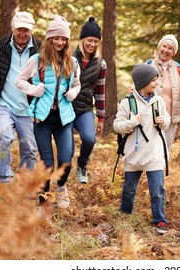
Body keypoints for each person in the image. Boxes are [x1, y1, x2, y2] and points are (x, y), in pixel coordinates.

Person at [16, 15, 80, 211]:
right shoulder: (37, 60)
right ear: (49, 39)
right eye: (56, 38)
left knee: (66, 160)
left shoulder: (73, 62)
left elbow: (78, 84)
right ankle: (43, 202)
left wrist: (72, 93)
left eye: (63, 39)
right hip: (42, 118)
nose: (60, 42)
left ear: (67, 41)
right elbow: (19, 81)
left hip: (64, 117)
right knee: (47, 163)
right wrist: (34, 90)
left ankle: (61, 186)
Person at [0, 11, 39, 184]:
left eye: (26, 30)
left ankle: (26, 183)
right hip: (5, 105)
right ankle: (4, 178)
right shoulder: (0, 46)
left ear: (31, 30)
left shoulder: (39, 49)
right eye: (19, 29)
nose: (22, 33)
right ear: (13, 28)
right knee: (3, 137)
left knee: (30, 148)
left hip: (29, 108)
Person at [113, 63, 171, 234]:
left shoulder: (158, 101)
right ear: (142, 82)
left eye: (156, 80)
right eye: (153, 81)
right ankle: (125, 217)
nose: (156, 84)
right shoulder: (127, 102)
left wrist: (164, 121)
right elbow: (117, 125)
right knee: (129, 190)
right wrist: (132, 122)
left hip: (154, 153)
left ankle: (159, 220)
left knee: (157, 190)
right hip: (134, 154)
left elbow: (166, 118)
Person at [146, 34, 180, 151]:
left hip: (170, 119)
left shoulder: (179, 69)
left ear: (174, 52)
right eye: (164, 46)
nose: (166, 50)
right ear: (159, 47)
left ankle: (162, 170)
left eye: (170, 48)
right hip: (150, 118)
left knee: (165, 151)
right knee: (150, 151)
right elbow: (135, 89)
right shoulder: (148, 66)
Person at [72, 17, 106, 184]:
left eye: (95, 41)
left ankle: (82, 165)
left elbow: (100, 92)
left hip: (85, 109)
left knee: (89, 139)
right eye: (89, 40)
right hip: (67, 107)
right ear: (82, 40)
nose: (92, 44)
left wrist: (100, 118)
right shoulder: (69, 57)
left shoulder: (101, 64)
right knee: (67, 149)